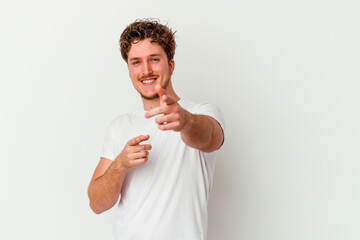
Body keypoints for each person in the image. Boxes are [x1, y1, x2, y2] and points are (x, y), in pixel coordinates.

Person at [87, 19, 225, 240]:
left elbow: (211, 137)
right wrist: (120, 164)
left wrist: (185, 121)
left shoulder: (201, 112)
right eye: (136, 62)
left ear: (170, 65)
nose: (146, 70)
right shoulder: (119, 125)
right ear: (129, 69)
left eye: (154, 59)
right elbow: (96, 203)